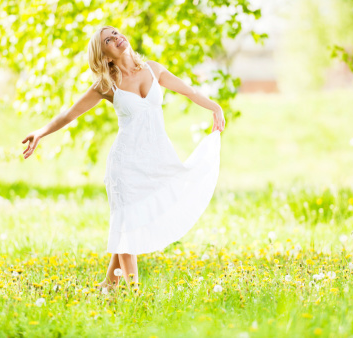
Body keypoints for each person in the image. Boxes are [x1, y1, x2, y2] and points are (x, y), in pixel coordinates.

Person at [22, 26, 225, 294]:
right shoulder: (107, 85)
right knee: (128, 225)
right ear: (104, 55)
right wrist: (41, 132)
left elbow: (189, 92)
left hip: (155, 161)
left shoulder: (153, 69)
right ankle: (134, 295)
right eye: (108, 39)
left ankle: (108, 287)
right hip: (124, 166)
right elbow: (70, 114)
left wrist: (216, 107)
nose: (117, 38)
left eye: (116, 33)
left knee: (128, 226)